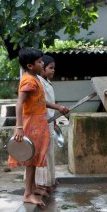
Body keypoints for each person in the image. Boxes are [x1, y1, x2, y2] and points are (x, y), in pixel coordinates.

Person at [8, 48, 50, 206]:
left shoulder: (35, 78)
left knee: (34, 157)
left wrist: (57, 107)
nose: (43, 63)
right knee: (30, 160)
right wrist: (19, 127)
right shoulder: (29, 80)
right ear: (30, 66)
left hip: (37, 123)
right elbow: (19, 103)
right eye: (40, 61)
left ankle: (32, 188)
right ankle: (27, 194)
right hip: (30, 124)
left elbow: (38, 101)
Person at [35, 55, 68, 193]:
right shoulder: (38, 82)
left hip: (48, 121)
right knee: (42, 154)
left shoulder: (47, 82)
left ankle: (48, 181)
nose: (53, 70)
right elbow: (41, 102)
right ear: (42, 68)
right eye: (50, 68)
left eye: (54, 68)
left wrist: (54, 118)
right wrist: (58, 107)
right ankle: (40, 184)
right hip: (40, 122)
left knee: (48, 153)